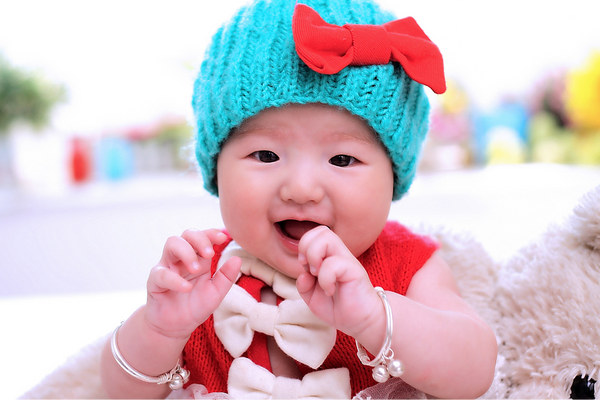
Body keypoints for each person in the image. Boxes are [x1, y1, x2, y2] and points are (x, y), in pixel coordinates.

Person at [100, 0, 497, 399]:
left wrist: (376, 318)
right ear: (216, 168)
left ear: (393, 177)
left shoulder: (407, 264)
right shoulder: (201, 276)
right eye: (266, 155)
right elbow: (117, 393)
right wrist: (160, 330)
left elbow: (475, 371)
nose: (302, 189)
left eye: (342, 159)